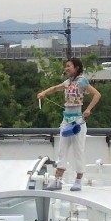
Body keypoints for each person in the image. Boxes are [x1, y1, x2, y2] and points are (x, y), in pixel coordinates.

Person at [35, 57, 100, 191]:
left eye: (68, 66)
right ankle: (58, 179)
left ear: (76, 67)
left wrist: (88, 109)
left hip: (78, 121)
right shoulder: (68, 82)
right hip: (66, 119)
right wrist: (44, 93)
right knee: (62, 150)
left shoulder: (82, 81)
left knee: (78, 150)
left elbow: (97, 94)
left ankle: (78, 179)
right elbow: (55, 88)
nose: (66, 68)